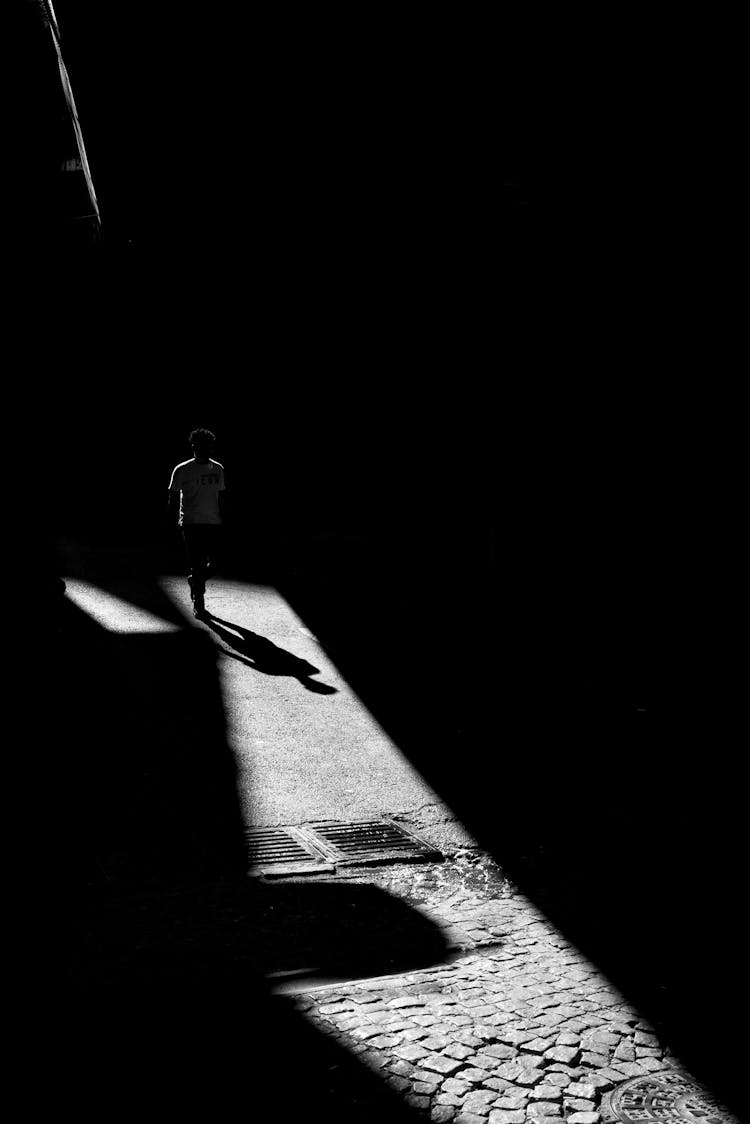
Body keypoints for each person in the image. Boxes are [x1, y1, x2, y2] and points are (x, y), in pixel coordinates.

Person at [168, 428, 226, 618]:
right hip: (191, 523)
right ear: (193, 446)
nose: (204, 450)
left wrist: (224, 518)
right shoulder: (182, 469)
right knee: (197, 562)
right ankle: (199, 604)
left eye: (208, 446)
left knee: (216, 563)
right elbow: (173, 497)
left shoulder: (218, 469)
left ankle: (195, 581)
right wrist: (173, 522)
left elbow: (221, 496)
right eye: (200, 446)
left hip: (213, 522)